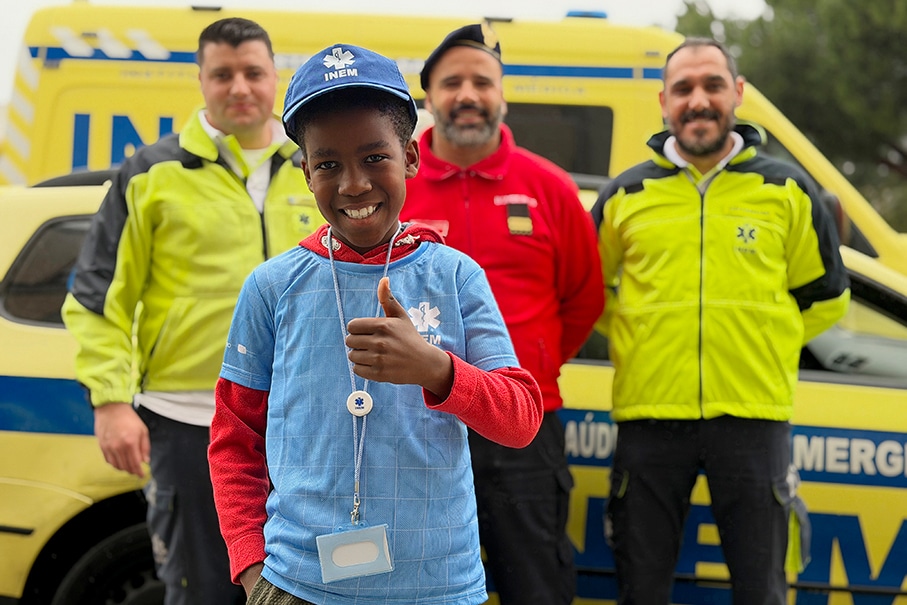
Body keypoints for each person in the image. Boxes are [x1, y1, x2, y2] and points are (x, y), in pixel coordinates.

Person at [206, 43, 545, 605]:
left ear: (410, 157)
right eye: (328, 164)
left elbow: (521, 420)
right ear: (306, 171)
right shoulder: (271, 286)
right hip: (298, 586)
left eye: (374, 157)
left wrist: (437, 370)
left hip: (438, 588)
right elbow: (234, 437)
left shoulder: (455, 275)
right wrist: (250, 565)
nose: (354, 184)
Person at [61, 17, 320, 604]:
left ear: (274, 74)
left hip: (302, 421)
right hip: (186, 422)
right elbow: (97, 295)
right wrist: (109, 401)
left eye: (253, 72)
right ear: (200, 80)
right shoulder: (151, 174)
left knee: (300, 590)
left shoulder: (314, 167)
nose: (240, 87)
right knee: (202, 590)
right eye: (222, 74)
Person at [590, 37, 851, 604]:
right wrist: (641, 337)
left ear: (738, 93)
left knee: (761, 591)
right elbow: (590, 293)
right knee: (642, 590)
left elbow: (829, 295)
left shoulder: (786, 189)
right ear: (664, 101)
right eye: (683, 88)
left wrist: (765, 341)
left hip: (753, 419)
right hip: (649, 418)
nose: (698, 100)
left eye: (712, 85)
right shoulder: (626, 195)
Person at [401, 22, 604, 605]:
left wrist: (529, 367)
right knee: (418, 583)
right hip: (417, 423)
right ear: (429, 97)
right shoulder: (399, 186)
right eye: (452, 82)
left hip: (523, 425)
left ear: (502, 94)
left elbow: (584, 298)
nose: (468, 94)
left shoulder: (550, 188)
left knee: (534, 581)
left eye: (482, 82)